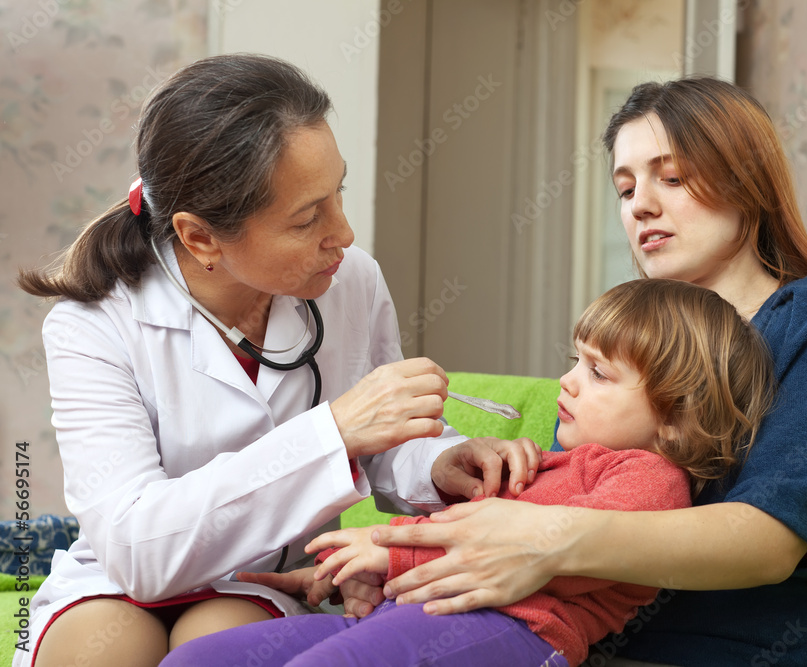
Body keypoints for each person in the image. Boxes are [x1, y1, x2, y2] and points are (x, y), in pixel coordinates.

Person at [349, 77, 807, 666]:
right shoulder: (627, 345)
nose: (639, 204)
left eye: (673, 178)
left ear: (747, 182)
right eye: (625, 188)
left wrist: (544, 538)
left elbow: (768, 542)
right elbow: (573, 502)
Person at [14, 54, 538, 667]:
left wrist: (439, 463)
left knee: (216, 642)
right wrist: (333, 431)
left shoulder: (351, 281)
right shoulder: (92, 324)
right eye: (307, 218)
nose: (343, 233)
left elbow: (383, 447)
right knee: (104, 647)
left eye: (338, 193)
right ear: (200, 237)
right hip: (118, 579)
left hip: (262, 578)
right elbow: (138, 553)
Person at [159, 278, 777, 667]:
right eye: (575, 361)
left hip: (515, 633)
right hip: (418, 614)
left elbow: (546, 555)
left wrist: (387, 551)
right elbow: (455, 539)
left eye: (598, 373)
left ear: (676, 420)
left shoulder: (650, 479)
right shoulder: (546, 462)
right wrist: (356, 573)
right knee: (199, 660)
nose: (566, 381)